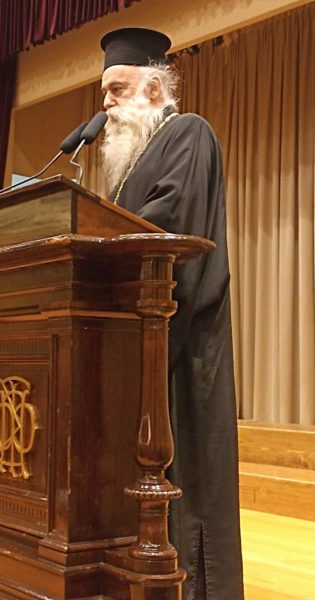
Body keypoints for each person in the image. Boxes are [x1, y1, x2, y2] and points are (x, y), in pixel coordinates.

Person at [99, 28, 244, 600]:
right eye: (104, 92)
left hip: (181, 332)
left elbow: (170, 224)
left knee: (189, 465)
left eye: (116, 89)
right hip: (137, 332)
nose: (106, 103)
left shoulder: (188, 132)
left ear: (154, 88)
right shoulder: (128, 164)